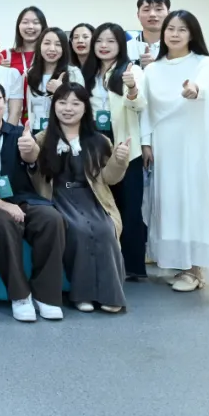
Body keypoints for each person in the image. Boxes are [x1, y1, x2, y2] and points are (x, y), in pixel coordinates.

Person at [0, 78, 67, 323]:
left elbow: (35, 165)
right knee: (2, 222)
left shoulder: (19, 134)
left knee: (51, 219)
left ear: (5, 101)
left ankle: (47, 295)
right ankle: (20, 295)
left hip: (23, 199)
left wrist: (31, 153)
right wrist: (3, 205)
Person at [142, 10, 209, 292]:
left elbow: (204, 86)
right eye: (170, 28)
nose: (175, 34)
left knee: (194, 202)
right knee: (169, 203)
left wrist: (195, 90)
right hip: (164, 145)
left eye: (182, 29)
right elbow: (145, 108)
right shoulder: (152, 69)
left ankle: (196, 269)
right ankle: (180, 265)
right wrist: (146, 142)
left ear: (192, 34)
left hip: (194, 145)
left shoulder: (204, 63)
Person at [33, 84, 129, 313]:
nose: (68, 108)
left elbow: (109, 178)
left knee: (105, 229)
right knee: (79, 230)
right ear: (54, 106)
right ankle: (82, 295)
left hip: (93, 198)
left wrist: (119, 161)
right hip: (59, 198)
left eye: (75, 103)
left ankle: (110, 295)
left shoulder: (99, 140)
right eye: (62, 102)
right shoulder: (42, 139)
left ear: (85, 107)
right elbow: (34, 176)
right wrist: (29, 154)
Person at [83, 22, 149, 280]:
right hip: (94, 145)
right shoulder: (86, 73)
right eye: (100, 40)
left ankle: (131, 265)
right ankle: (103, 260)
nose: (104, 46)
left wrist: (131, 88)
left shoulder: (132, 70)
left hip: (124, 144)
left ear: (120, 45)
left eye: (111, 41)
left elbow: (140, 105)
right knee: (100, 204)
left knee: (129, 204)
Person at [24, 27, 85, 133]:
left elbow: (81, 105)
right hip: (36, 130)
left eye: (58, 44)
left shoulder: (73, 73)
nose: (52, 49)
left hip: (63, 132)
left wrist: (60, 90)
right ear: (40, 46)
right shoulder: (32, 73)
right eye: (47, 43)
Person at [0, 6, 47, 77]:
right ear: (18, 26)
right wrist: (0, 71)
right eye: (25, 22)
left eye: (35, 22)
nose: (30, 26)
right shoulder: (5, 55)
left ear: (42, 26)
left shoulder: (49, 54)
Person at [127, 0, 170, 69]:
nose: (152, 14)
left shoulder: (176, 48)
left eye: (158, 9)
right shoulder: (126, 48)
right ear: (138, 15)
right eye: (146, 10)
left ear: (168, 14)